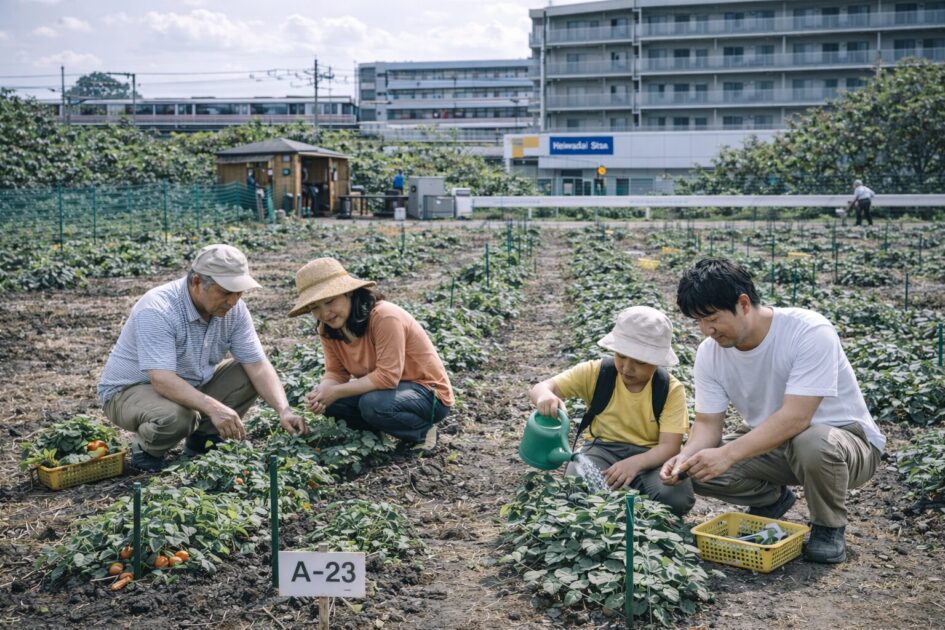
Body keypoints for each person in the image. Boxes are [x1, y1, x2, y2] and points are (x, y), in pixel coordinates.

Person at [661, 258, 885, 563]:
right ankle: (772, 499)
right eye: (697, 321)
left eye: (711, 317)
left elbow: (797, 417)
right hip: (774, 444)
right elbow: (707, 423)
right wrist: (686, 458)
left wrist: (727, 454)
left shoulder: (808, 331)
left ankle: (828, 527)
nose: (706, 329)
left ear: (742, 304)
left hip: (844, 444)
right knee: (697, 470)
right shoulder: (710, 353)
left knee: (811, 442)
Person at [98, 244, 308, 472]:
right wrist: (215, 408)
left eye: (239, 292)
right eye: (226, 292)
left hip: (189, 383)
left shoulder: (234, 310)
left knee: (246, 373)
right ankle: (147, 448)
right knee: (178, 416)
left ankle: (202, 439)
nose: (233, 300)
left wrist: (283, 409)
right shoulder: (159, 309)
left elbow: (257, 365)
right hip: (131, 390)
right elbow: (162, 379)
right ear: (196, 282)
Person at [530, 306, 695, 516]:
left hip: (651, 457)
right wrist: (545, 396)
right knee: (577, 483)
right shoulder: (597, 373)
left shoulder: (670, 389)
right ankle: (619, 501)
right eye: (621, 356)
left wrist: (634, 464)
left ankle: (628, 497)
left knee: (675, 498)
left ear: (657, 361)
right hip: (602, 450)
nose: (627, 367)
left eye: (640, 362)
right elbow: (542, 387)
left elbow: (669, 447)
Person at [288, 257, 452, 452]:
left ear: (347, 292)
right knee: (333, 405)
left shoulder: (384, 317)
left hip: (427, 394)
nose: (325, 313)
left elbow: (388, 377)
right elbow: (335, 372)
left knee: (373, 404)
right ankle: (378, 435)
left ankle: (423, 431)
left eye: (330, 301)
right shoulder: (327, 328)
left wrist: (336, 391)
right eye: (315, 307)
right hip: (388, 393)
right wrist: (323, 393)